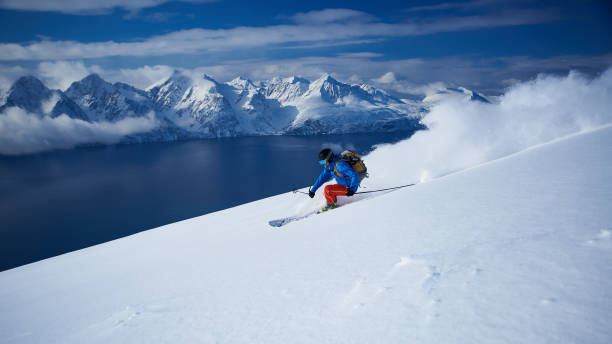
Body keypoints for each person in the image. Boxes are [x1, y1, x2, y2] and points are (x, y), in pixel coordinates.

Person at [308, 148, 359, 212]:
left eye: (323, 161)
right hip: (343, 185)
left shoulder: (340, 165)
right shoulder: (330, 167)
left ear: (329, 158)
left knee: (328, 190)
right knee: (327, 190)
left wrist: (352, 189)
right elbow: (321, 178)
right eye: (321, 162)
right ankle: (332, 202)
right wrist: (313, 190)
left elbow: (355, 175)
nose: (323, 164)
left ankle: (331, 206)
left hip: (349, 188)